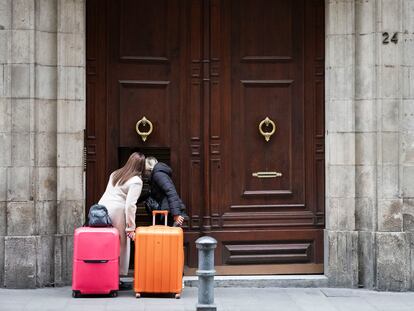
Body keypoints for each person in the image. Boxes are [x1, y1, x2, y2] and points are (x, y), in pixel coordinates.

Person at [98, 152, 145, 288]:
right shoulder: (136, 181)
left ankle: (103, 275)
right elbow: (130, 205)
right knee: (121, 245)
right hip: (117, 212)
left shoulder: (115, 174)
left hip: (102, 209)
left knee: (105, 244)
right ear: (141, 167)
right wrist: (131, 227)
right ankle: (115, 278)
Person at [143, 157, 185, 226]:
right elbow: (150, 193)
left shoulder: (158, 175)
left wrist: (176, 214)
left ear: (148, 168)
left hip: (170, 212)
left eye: (145, 170)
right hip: (168, 210)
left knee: (169, 235)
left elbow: (171, 191)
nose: (144, 173)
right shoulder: (157, 174)